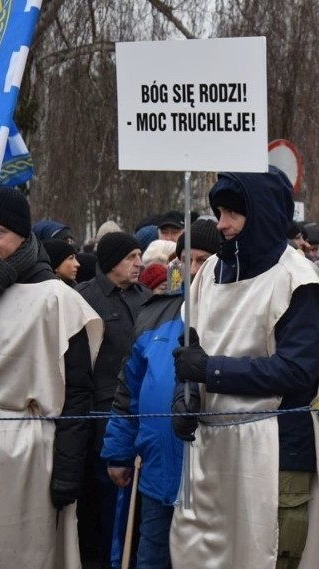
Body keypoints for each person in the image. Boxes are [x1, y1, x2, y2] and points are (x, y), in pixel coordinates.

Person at [169, 167, 319, 568]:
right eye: (219, 211)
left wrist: (211, 371)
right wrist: (184, 397)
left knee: (266, 555)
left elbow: (297, 372)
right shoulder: (211, 271)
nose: (223, 224)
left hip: (273, 448)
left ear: (262, 212)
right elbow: (189, 350)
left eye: (234, 213)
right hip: (211, 452)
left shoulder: (297, 280)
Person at [0, 186, 103, 568]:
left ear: (23, 236)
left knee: (22, 553)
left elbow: (78, 392)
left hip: (26, 449)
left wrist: (67, 470)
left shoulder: (56, 300)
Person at [101, 219, 219, 569]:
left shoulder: (234, 314)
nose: (194, 269)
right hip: (158, 475)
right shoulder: (155, 314)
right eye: (188, 259)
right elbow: (129, 389)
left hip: (212, 480)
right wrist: (119, 452)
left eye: (204, 260)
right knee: (151, 559)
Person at [74, 231, 150, 567]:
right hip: (100, 421)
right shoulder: (84, 299)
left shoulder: (147, 298)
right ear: (109, 262)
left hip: (145, 416)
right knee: (104, 509)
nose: (139, 263)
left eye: (139, 255)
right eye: (131, 257)